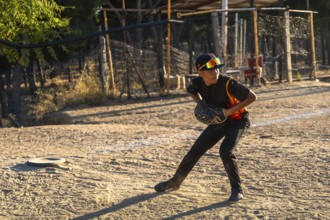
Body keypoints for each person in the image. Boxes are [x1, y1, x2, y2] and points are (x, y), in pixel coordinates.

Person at [154, 53, 257, 202]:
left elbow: (252, 97)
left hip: (238, 120)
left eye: (216, 69)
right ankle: (175, 182)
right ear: (200, 73)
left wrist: (227, 112)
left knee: (225, 151)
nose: (214, 72)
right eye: (210, 70)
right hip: (219, 121)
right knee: (196, 150)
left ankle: (237, 190)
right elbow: (192, 91)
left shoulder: (228, 83)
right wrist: (200, 103)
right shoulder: (197, 83)